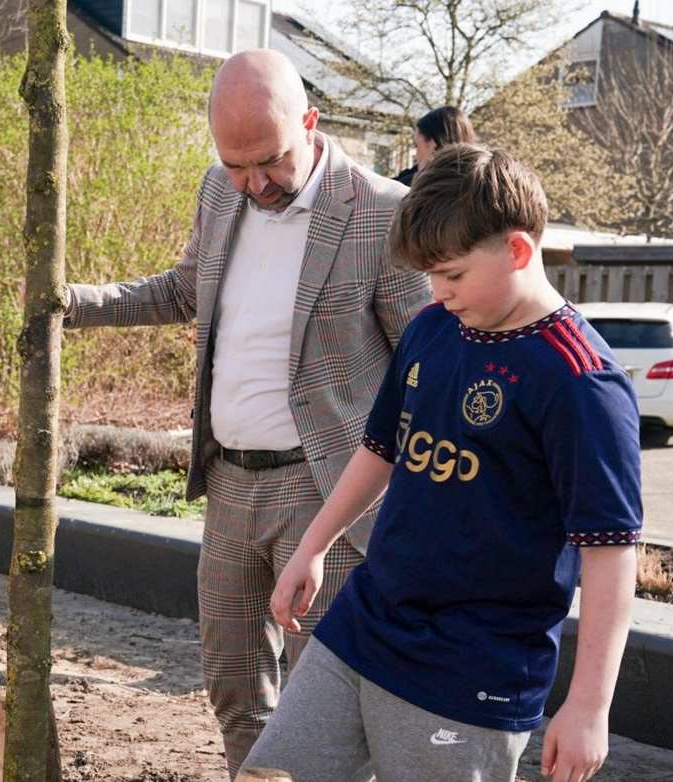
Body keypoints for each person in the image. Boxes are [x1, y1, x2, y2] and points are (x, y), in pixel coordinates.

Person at [62, 48, 431, 774]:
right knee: (233, 689)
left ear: (311, 121)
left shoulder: (383, 213)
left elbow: (422, 373)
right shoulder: (220, 191)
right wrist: (72, 303)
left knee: (326, 704)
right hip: (228, 486)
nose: (255, 183)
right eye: (237, 164)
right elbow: (184, 290)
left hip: (325, 494)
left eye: (269, 161)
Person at [244, 145, 641, 782]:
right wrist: (312, 547)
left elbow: (612, 549)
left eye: (452, 274)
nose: (438, 292)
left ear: (516, 251)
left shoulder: (581, 382)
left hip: (474, 669)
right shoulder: (433, 328)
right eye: (430, 276)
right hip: (366, 625)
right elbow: (381, 448)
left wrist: (590, 704)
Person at [393, 105, 476, 186]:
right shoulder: (477, 183)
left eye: (416, 145)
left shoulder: (420, 186)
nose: (415, 155)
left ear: (433, 146)